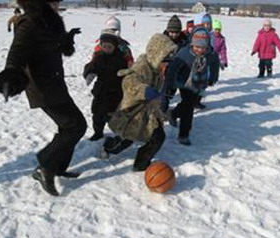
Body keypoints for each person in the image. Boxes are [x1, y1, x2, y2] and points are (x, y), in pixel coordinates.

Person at [0, 0, 85, 196]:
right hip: (42, 88)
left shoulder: (50, 21)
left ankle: (58, 167)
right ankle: (45, 166)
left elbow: (57, 46)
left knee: (68, 126)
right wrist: (11, 73)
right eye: (52, 3)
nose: (56, 6)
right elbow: (16, 53)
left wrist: (67, 38)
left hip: (55, 84)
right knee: (76, 126)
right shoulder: (30, 23)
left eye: (57, 3)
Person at [103, 33, 177, 171]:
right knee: (126, 139)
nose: (165, 66)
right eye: (164, 62)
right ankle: (109, 146)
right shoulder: (142, 67)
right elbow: (128, 82)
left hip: (148, 113)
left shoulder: (158, 70)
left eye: (168, 63)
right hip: (133, 113)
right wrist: (144, 90)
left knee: (158, 137)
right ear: (156, 56)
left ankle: (141, 162)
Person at [162, 27, 220, 146]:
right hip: (184, 82)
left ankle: (173, 114)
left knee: (190, 103)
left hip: (199, 81)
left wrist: (213, 77)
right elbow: (173, 68)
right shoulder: (184, 53)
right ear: (192, 44)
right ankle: (184, 134)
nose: (200, 50)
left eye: (203, 47)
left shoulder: (211, 54)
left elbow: (215, 64)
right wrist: (170, 83)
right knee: (189, 108)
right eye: (197, 47)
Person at [82, 32, 128, 141]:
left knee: (112, 115)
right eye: (104, 46)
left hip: (115, 92)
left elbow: (126, 72)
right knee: (97, 115)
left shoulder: (120, 58)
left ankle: (120, 133)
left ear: (114, 47)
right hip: (100, 92)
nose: (107, 49)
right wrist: (89, 73)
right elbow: (90, 67)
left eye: (110, 47)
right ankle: (98, 133)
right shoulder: (98, 57)